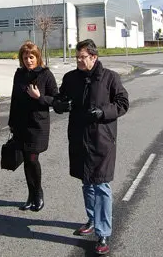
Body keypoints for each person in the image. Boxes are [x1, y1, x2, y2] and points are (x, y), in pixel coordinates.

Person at [53, 39, 129, 255]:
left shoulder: (110, 78)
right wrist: (60, 105)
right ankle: (92, 219)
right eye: (77, 57)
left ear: (94, 57)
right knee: (87, 183)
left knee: (101, 185)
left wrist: (103, 113)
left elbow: (123, 103)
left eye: (82, 57)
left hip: (101, 140)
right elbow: (60, 99)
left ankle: (103, 231)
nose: (78, 60)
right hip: (78, 138)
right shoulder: (71, 78)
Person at [8, 41, 58, 212]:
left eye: (31, 57)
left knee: (32, 159)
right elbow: (14, 99)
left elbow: (56, 100)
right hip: (21, 124)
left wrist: (39, 97)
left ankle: (38, 193)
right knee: (26, 161)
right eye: (25, 57)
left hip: (37, 125)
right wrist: (11, 123)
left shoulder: (46, 74)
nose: (28, 61)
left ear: (37, 58)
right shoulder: (19, 74)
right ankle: (30, 195)